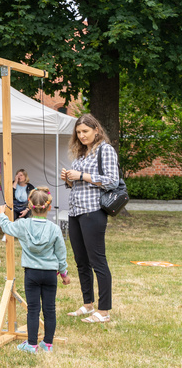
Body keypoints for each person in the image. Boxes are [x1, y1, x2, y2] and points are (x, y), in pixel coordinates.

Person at [0, 187, 70, 353]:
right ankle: (48, 344)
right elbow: (61, 253)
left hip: (32, 273)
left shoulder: (23, 225)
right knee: (50, 309)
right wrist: (64, 274)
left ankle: (31, 345)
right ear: (49, 207)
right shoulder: (54, 229)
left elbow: (7, 227)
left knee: (33, 309)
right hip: (50, 273)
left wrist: (1, 213)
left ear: (29, 205)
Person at [60, 113, 117, 324]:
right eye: (78, 132)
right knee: (81, 261)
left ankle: (104, 311)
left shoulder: (105, 150)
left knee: (97, 261)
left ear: (96, 130)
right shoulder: (82, 154)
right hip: (75, 211)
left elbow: (112, 180)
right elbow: (78, 183)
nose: (82, 135)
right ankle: (87, 305)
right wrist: (68, 179)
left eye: (85, 131)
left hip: (93, 211)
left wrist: (81, 176)